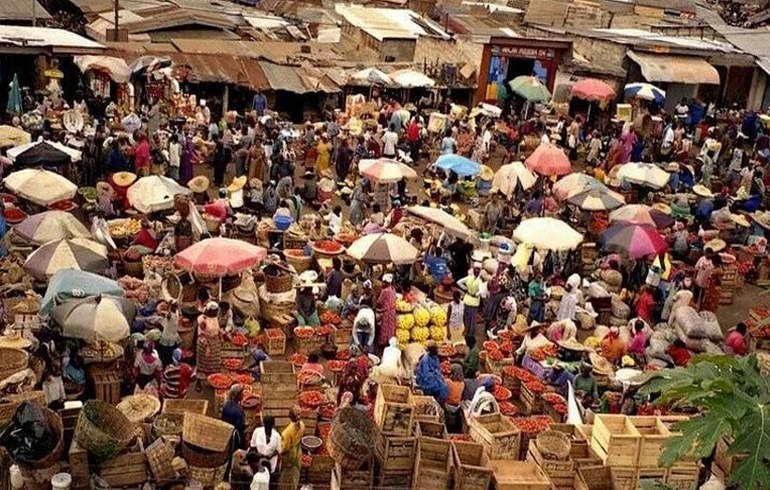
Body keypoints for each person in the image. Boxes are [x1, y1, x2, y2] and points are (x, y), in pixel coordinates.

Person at [279, 406, 306, 490]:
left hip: (289, 456)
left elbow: (284, 449)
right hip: (298, 452)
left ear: (289, 416)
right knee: (295, 476)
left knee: (287, 478)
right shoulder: (302, 425)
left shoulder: (286, 432)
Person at [197, 302, 222, 377]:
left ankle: (213, 379)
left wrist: (221, 335)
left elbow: (216, 328)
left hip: (215, 343)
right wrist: (207, 347)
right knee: (203, 364)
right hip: (204, 343)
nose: (215, 313)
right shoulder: (203, 319)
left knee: (214, 364)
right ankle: (199, 381)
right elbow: (201, 334)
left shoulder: (215, 317)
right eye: (213, 311)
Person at [457, 263, 483, 337]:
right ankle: (469, 332)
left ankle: (469, 332)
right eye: (476, 269)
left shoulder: (474, 279)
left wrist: (466, 289)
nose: (476, 271)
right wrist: (476, 294)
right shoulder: (474, 279)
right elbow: (481, 291)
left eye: (478, 269)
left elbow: (459, 282)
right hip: (471, 300)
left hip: (469, 300)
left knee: (468, 317)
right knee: (470, 318)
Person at [222, 384, 247, 448]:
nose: (243, 395)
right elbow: (241, 427)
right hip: (236, 436)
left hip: (227, 432)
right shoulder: (238, 411)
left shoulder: (226, 405)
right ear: (237, 395)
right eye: (242, 393)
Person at [376, 274, 397, 348]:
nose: (383, 284)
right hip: (392, 310)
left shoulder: (385, 291)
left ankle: (383, 342)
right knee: (391, 327)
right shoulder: (393, 288)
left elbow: (379, 301)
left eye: (384, 282)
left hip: (387, 311)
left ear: (387, 283)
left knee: (385, 326)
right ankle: (389, 340)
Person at [158, 301, 181, 366]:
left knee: (166, 353)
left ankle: (166, 363)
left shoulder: (170, 315)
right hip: (173, 335)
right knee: (172, 351)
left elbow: (166, 314)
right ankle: (173, 362)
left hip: (167, 336)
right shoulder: (176, 314)